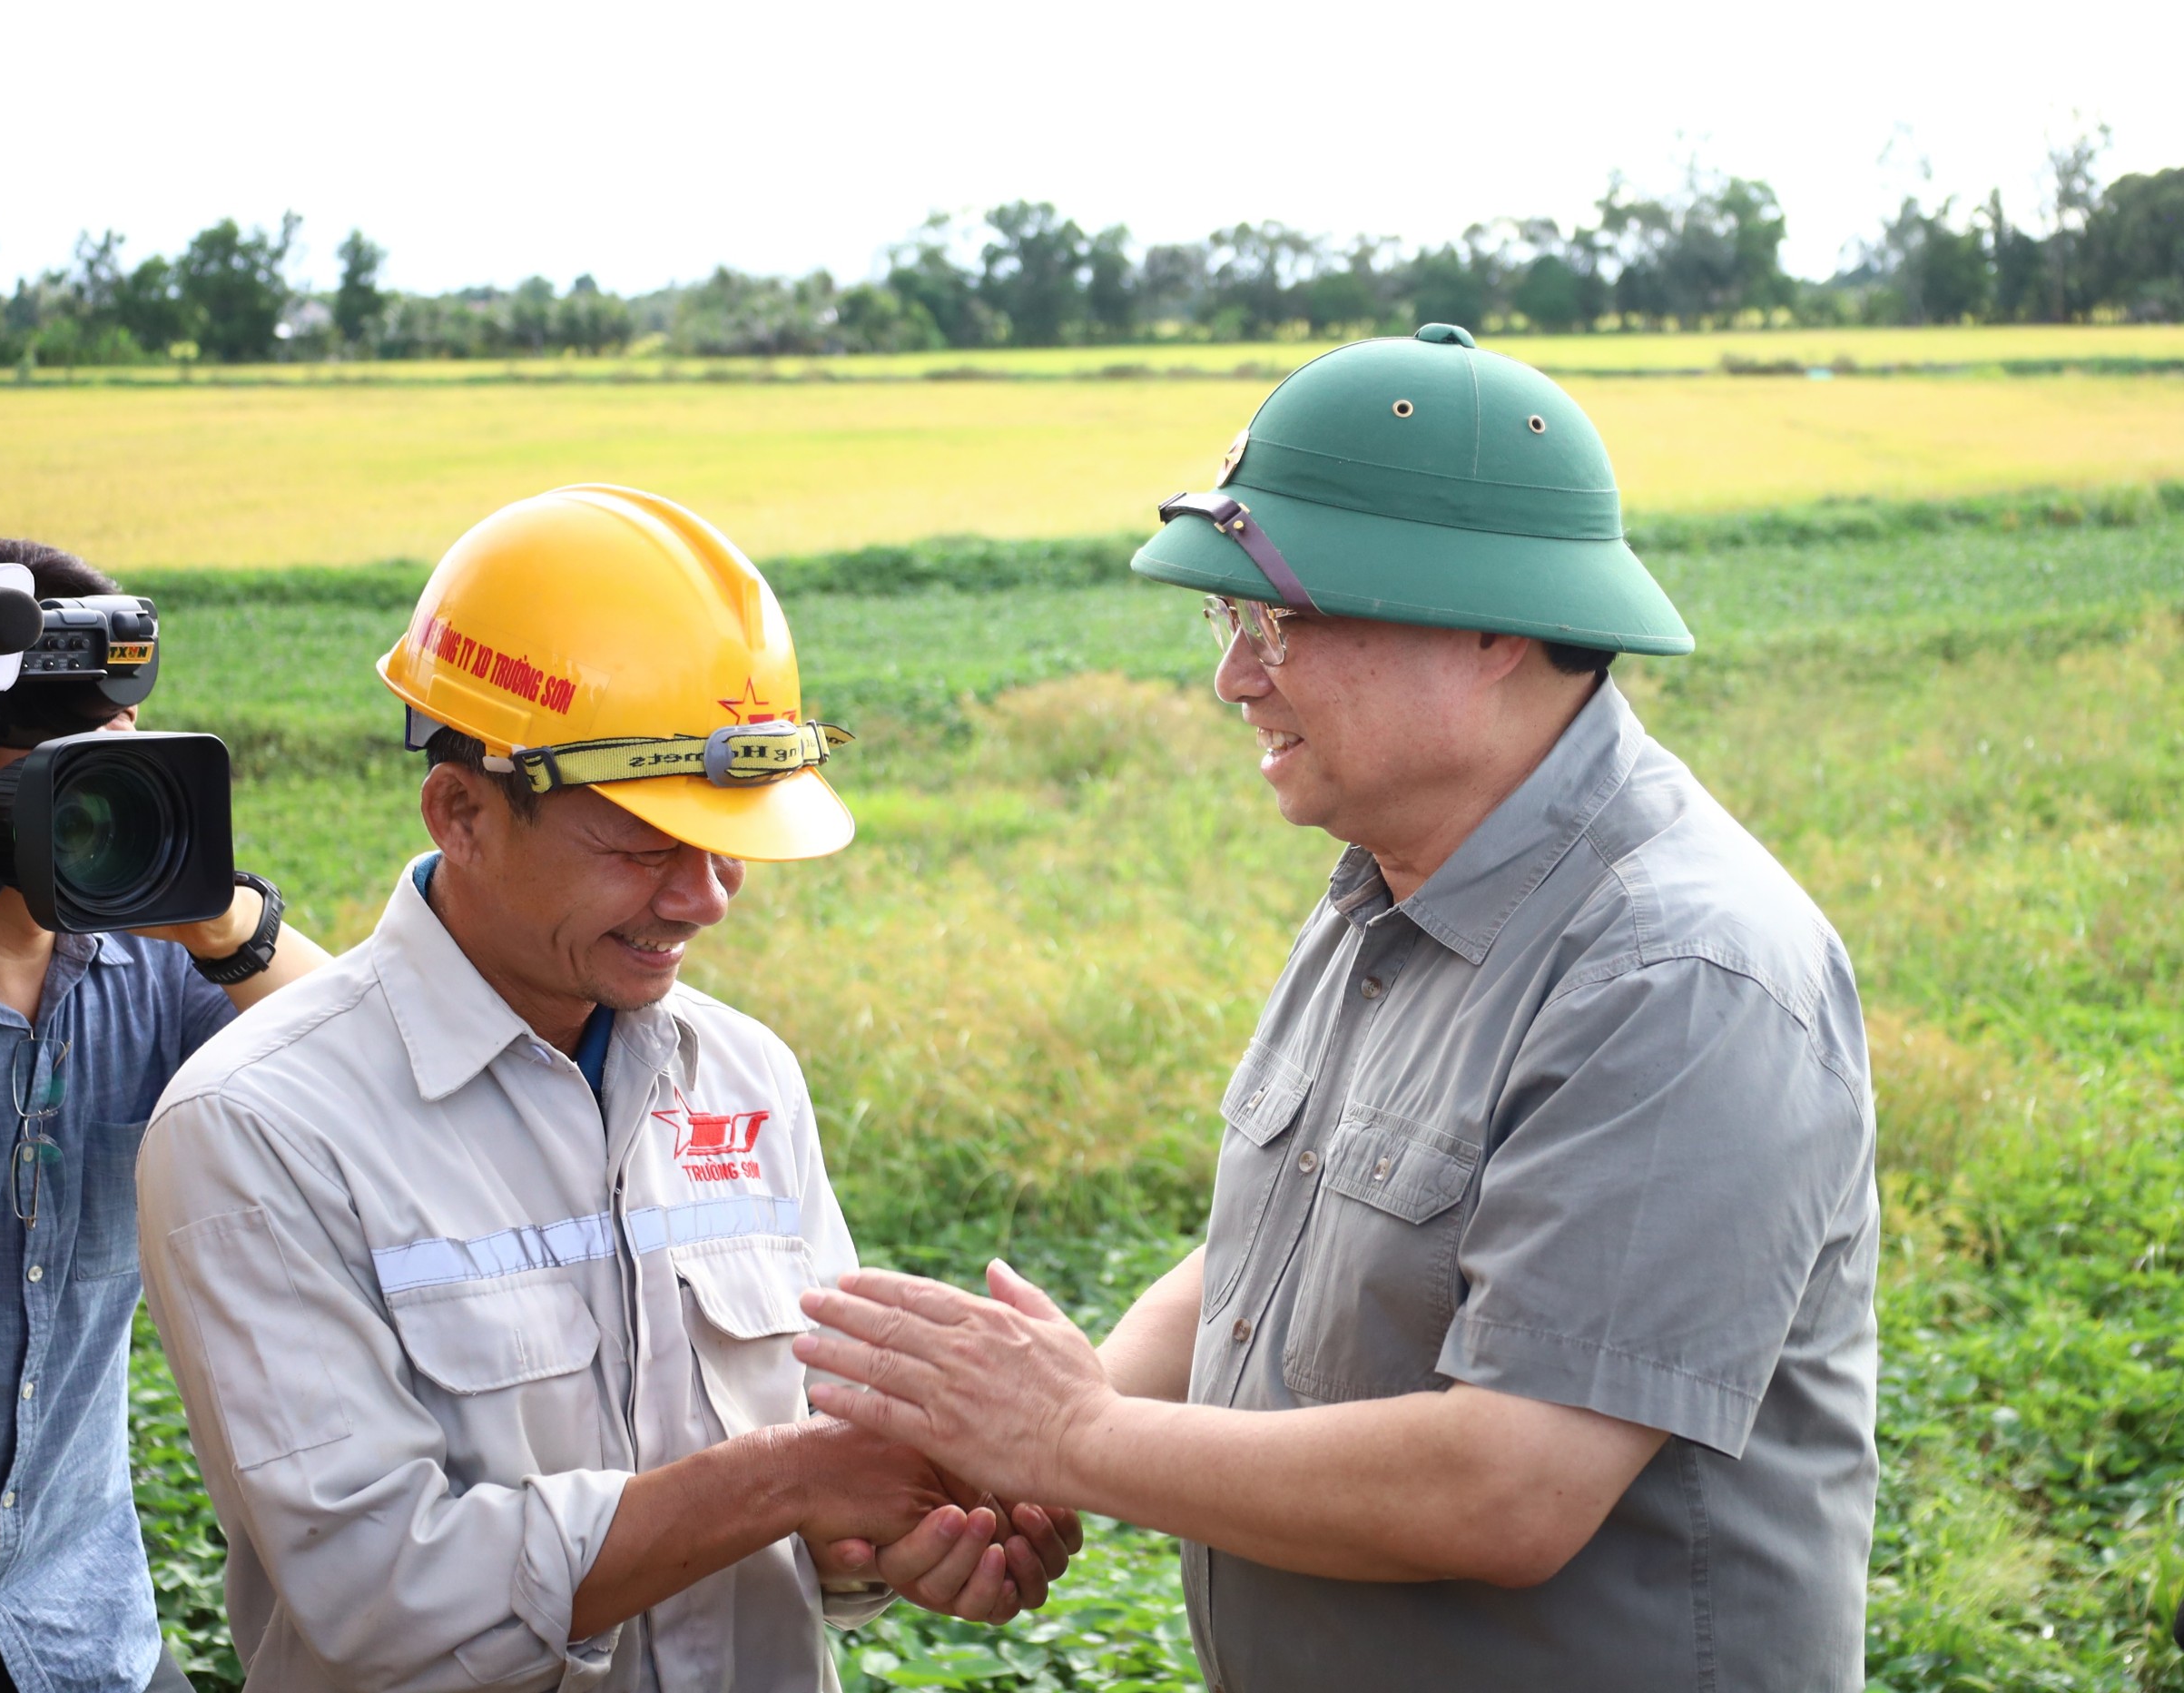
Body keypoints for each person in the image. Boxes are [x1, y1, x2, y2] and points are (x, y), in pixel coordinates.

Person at [795, 329, 1881, 1692]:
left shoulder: (1680, 975)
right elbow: (1288, 1237)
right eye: (1228, 622)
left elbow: (1509, 1486)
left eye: (1281, 621)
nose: (1234, 677)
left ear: (1490, 628)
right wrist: (1029, 1455)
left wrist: (1071, 1438)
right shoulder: (1394, 879)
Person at [135, 486, 1078, 1693]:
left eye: (730, 838)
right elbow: (377, 1598)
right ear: (461, 811)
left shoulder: (744, 1075)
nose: (704, 898)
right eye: (642, 845)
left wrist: (884, 1537)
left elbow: (822, 1493)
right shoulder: (261, 1127)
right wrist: (786, 1478)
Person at [0, 537, 331, 1693]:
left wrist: (232, 924)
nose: (91, 808)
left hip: (80, 1626)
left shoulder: (154, 966)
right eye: (40, 773)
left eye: (115, 763)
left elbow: (380, 1094)